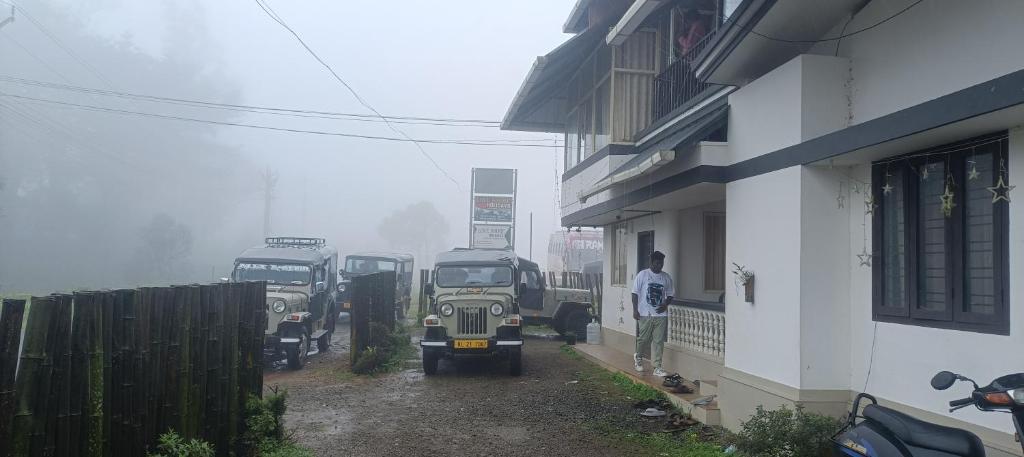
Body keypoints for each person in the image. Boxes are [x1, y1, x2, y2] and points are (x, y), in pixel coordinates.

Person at [632, 251, 674, 377]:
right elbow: (634, 293)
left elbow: (671, 294)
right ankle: (638, 357)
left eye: (661, 263)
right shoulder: (643, 275)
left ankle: (657, 367)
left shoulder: (666, 277)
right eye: (657, 263)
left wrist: (666, 304)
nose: (659, 266)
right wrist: (635, 310)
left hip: (661, 315)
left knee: (658, 341)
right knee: (643, 339)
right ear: (651, 263)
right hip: (645, 314)